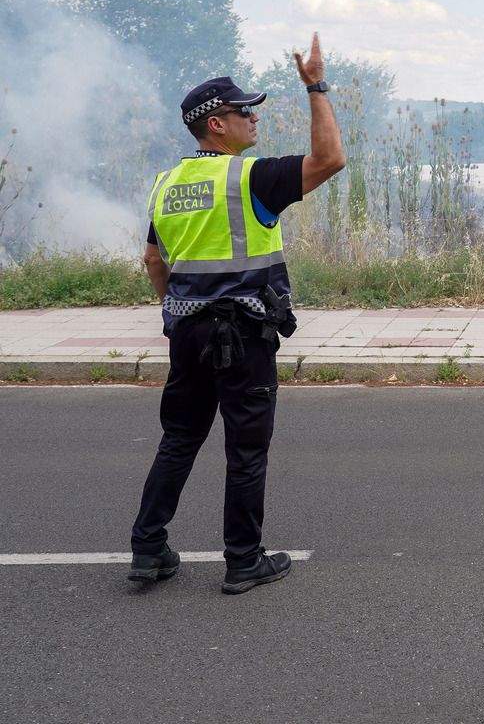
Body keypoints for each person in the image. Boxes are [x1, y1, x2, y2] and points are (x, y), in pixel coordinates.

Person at [129, 33, 345, 595]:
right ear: (216, 124)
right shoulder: (248, 177)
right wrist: (315, 86)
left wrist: (177, 309)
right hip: (244, 334)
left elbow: (155, 261)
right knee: (246, 448)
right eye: (243, 110)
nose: (254, 118)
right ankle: (243, 560)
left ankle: (148, 547)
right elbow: (331, 159)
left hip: (188, 332)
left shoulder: (166, 183)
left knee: (179, 439)